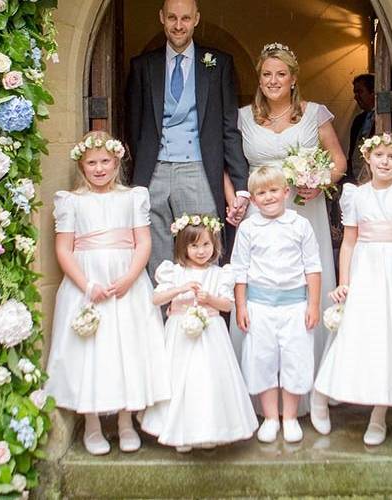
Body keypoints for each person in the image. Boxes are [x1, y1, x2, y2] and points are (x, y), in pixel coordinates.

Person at [225, 43, 346, 405]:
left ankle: (311, 392)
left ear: (293, 79)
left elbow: (338, 161)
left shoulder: (315, 115)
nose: (273, 80)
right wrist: (234, 199)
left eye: (281, 74)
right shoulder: (242, 117)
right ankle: (257, 393)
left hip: (303, 211)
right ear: (259, 80)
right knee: (258, 288)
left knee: (307, 286)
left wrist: (319, 181)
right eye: (266, 74)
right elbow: (228, 165)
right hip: (258, 214)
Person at [45, 131, 170, 455]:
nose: (99, 169)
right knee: (92, 353)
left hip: (125, 283)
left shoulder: (132, 197)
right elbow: (64, 248)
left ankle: (127, 421)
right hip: (87, 284)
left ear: (116, 162)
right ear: (82, 166)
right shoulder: (71, 201)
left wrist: (130, 277)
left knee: (126, 349)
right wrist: (86, 284)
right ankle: (92, 425)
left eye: (105, 162)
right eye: (92, 163)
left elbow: (143, 241)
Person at [311, 133, 392, 445]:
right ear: (368, 158)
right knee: (354, 333)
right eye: (379, 155)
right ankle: (320, 396)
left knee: (391, 340)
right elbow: (349, 242)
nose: (384, 161)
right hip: (366, 269)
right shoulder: (357, 195)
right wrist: (345, 282)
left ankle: (378, 416)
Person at [126, 0, 250, 277]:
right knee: (156, 255)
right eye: (172, 18)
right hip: (154, 171)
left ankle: (201, 316)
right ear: (161, 18)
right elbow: (134, 126)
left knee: (202, 249)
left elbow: (229, 126)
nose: (178, 25)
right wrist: (145, 167)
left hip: (198, 169)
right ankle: (162, 317)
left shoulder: (218, 63)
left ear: (196, 19)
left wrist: (240, 183)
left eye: (185, 18)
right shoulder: (143, 66)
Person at [139, 214, 258, 452]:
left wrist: (210, 299)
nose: (201, 251)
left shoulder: (220, 274)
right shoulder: (173, 272)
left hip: (210, 336)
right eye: (194, 245)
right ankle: (178, 432)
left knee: (207, 380)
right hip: (180, 334)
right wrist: (180, 289)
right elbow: (156, 299)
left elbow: (227, 305)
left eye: (206, 244)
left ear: (214, 245)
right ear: (183, 247)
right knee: (180, 380)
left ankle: (209, 430)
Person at [231, 167, 322, 443]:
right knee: (263, 359)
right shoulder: (248, 228)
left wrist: (313, 305)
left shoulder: (300, 225)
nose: (268, 197)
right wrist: (241, 306)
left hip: (295, 304)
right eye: (261, 193)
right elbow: (240, 269)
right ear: (254, 200)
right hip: (259, 305)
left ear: (286, 192)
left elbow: (313, 267)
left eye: (273, 191)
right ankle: (271, 417)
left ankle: (291, 417)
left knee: (295, 358)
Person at [347, 74, 376, 184]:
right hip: (356, 178)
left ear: (373, 92)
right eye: (355, 93)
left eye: (360, 91)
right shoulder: (358, 120)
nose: (356, 97)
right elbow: (352, 152)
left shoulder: (386, 118)